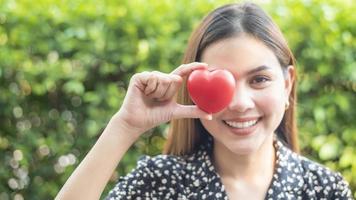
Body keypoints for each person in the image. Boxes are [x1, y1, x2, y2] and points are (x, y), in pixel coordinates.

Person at [56, 2, 353, 200]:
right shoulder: (160, 183)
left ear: (287, 84)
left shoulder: (325, 190)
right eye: (223, 81)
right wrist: (125, 126)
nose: (239, 102)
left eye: (259, 80)